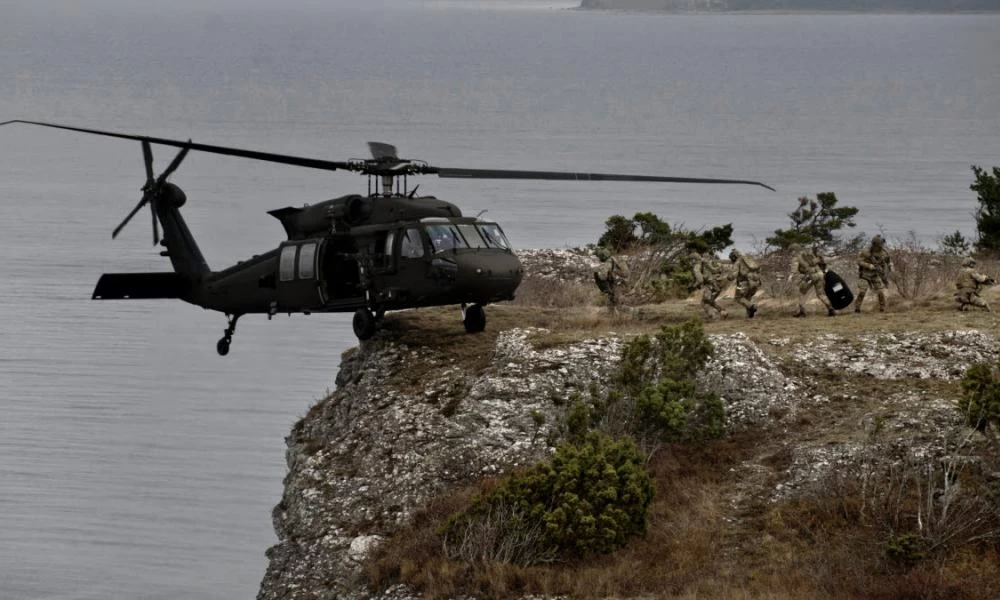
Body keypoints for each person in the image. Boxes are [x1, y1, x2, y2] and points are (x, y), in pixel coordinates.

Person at [790, 243, 834, 317]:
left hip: (810, 276)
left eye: (791, 251)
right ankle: (831, 309)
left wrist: (791, 276)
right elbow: (819, 262)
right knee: (821, 294)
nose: (791, 253)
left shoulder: (796, 257)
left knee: (800, 292)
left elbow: (794, 269)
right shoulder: (809, 254)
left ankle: (801, 311)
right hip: (820, 274)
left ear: (794, 250)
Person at [854, 235, 892, 313]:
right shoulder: (865, 252)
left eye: (881, 245)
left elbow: (888, 261)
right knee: (862, 291)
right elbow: (859, 261)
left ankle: (882, 308)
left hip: (875, 275)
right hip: (864, 275)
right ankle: (857, 308)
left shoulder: (884, 253)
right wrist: (869, 266)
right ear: (874, 244)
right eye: (879, 245)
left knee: (880, 292)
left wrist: (889, 267)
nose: (881, 246)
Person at [691, 249, 729, 319]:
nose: (691, 261)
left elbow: (700, 280)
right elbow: (715, 270)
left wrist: (694, 286)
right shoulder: (706, 263)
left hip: (710, 285)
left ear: (694, 259)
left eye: (692, 259)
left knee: (704, 302)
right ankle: (723, 312)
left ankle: (714, 316)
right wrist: (720, 268)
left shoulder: (697, 266)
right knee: (710, 301)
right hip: (715, 285)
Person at [729, 248, 761, 318]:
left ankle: (752, 306)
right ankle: (749, 316)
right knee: (747, 298)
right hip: (755, 283)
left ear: (734, 257)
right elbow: (758, 269)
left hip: (743, 283)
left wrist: (729, 277)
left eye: (731, 259)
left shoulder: (737, 262)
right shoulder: (748, 260)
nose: (731, 260)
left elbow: (734, 275)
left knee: (738, 298)